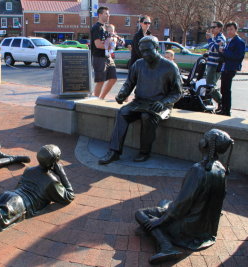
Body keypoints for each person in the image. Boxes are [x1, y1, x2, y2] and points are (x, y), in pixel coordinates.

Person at [135, 129, 234, 264]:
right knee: (164, 202)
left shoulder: (198, 170)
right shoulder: (222, 169)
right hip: (206, 230)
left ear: (205, 144)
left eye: (202, 138)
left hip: (188, 231)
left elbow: (182, 205)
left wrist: (160, 221)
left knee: (141, 214)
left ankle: (166, 247)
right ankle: (156, 230)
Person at [99, 36, 182, 164]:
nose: (145, 54)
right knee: (122, 113)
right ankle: (114, 151)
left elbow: (177, 92)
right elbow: (129, 83)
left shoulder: (170, 67)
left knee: (146, 117)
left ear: (157, 49)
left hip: (160, 104)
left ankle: (144, 152)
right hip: (140, 102)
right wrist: (122, 94)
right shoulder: (138, 64)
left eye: (148, 51)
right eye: (142, 51)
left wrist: (163, 102)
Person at [217, 21, 245, 116]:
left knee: (226, 89)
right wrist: (221, 50)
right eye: (228, 29)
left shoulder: (239, 41)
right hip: (226, 67)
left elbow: (238, 56)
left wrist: (224, 51)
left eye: (231, 29)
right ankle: (224, 108)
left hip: (231, 68)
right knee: (223, 89)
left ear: (236, 30)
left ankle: (226, 110)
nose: (229, 31)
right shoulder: (230, 40)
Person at [90, 6, 118, 100]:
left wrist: (114, 41)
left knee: (113, 78)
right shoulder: (96, 27)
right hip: (99, 57)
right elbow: (98, 44)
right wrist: (111, 46)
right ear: (100, 14)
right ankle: (94, 102)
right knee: (100, 81)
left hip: (108, 57)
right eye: (106, 13)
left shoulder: (106, 27)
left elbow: (112, 38)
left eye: (108, 13)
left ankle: (100, 98)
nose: (108, 15)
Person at [206, 21, 226, 110]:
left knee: (210, 85)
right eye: (211, 27)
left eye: (214, 27)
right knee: (210, 85)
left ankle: (221, 102)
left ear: (220, 28)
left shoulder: (220, 38)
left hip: (214, 65)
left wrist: (209, 39)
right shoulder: (216, 38)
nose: (212, 29)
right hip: (212, 64)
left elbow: (213, 48)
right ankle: (213, 102)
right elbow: (213, 48)